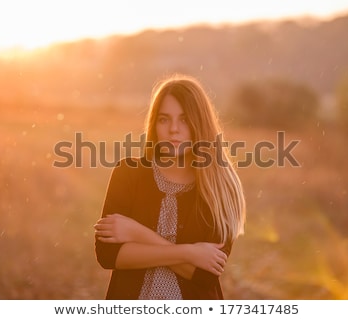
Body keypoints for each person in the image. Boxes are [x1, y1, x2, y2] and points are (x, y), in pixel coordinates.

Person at [94, 73, 246, 299]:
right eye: (164, 119)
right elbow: (108, 255)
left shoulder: (220, 187)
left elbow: (205, 275)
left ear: (200, 124)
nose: (173, 129)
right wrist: (189, 253)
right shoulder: (128, 173)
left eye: (184, 119)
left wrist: (136, 233)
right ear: (154, 124)